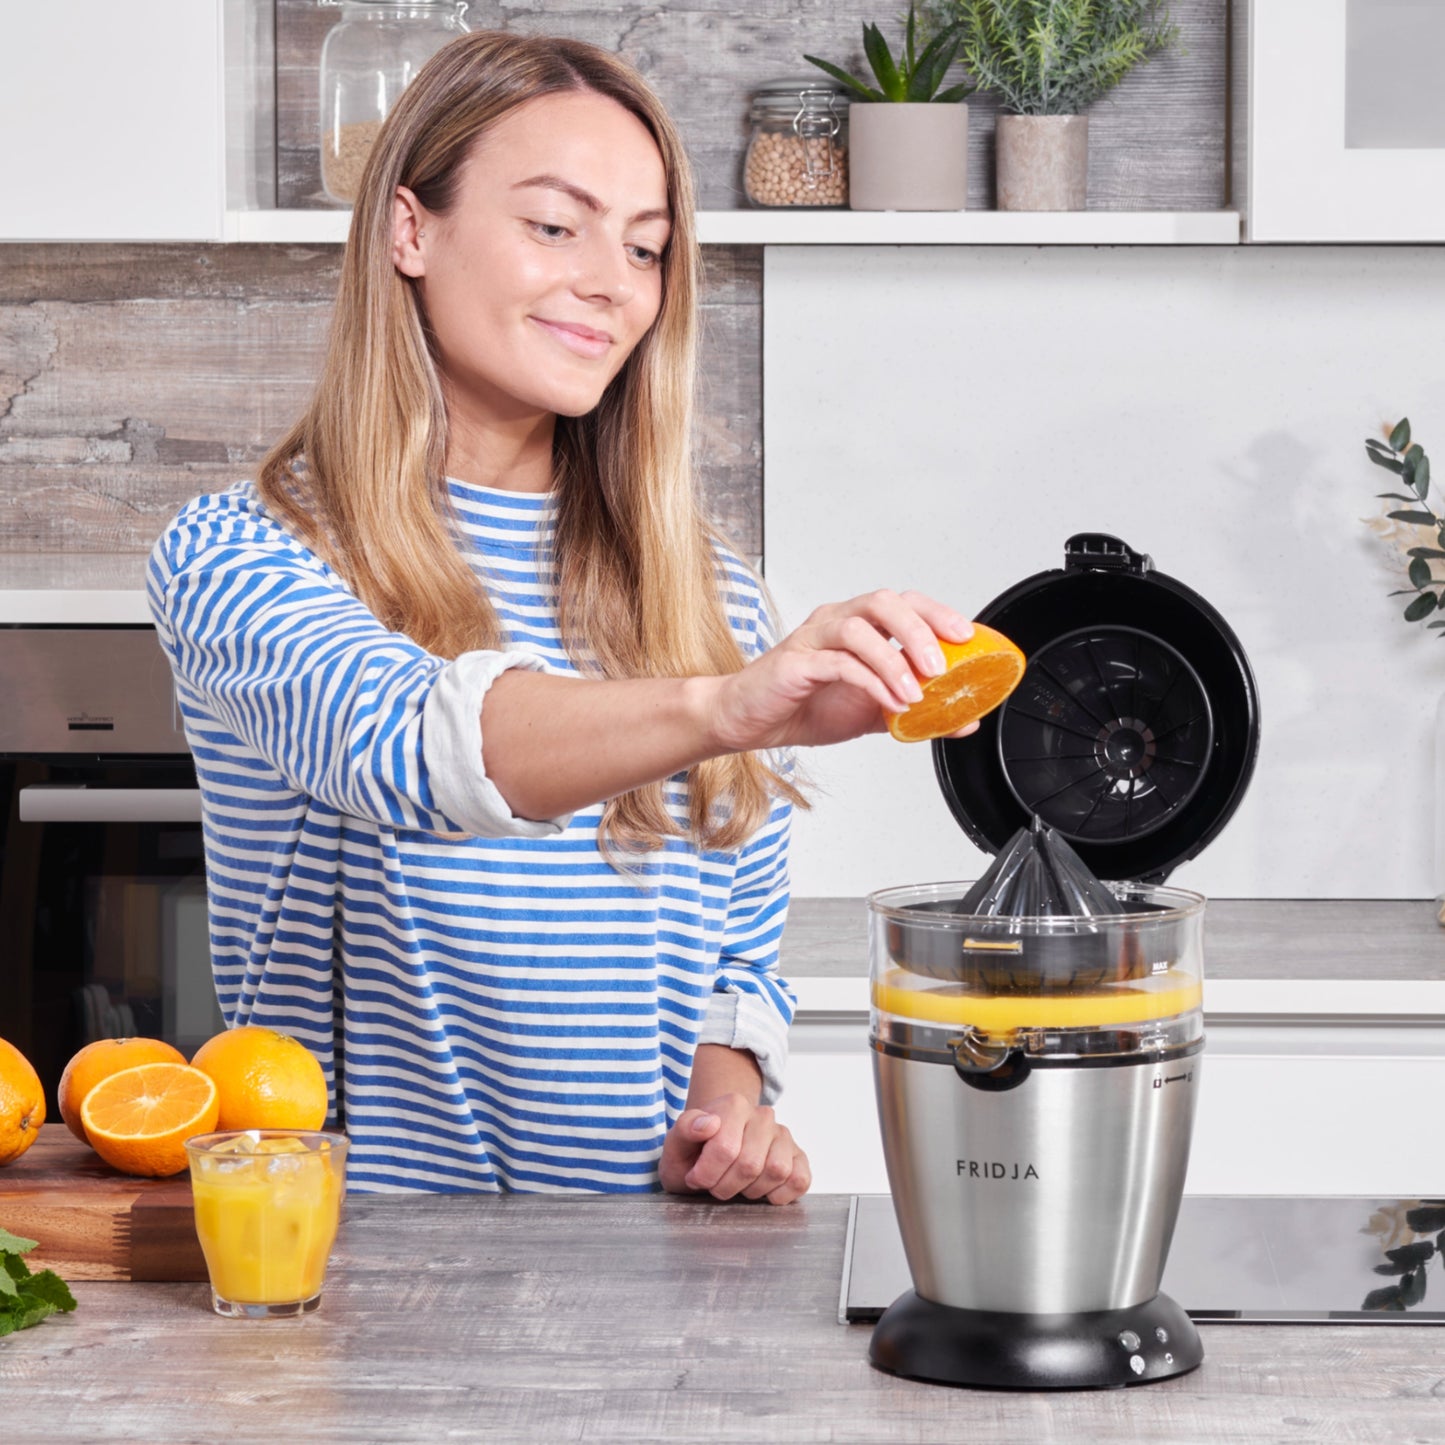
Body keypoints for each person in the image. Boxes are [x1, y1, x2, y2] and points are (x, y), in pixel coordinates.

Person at [147, 30, 974, 1201]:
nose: (612, 281)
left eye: (644, 247)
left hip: (641, 1286)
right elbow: (410, 746)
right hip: (348, 1275)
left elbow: (733, 958)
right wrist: (724, 704)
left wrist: (729, 1111)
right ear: (408, 228)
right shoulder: (249, 549)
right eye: (554, 225)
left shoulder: (714, 596)